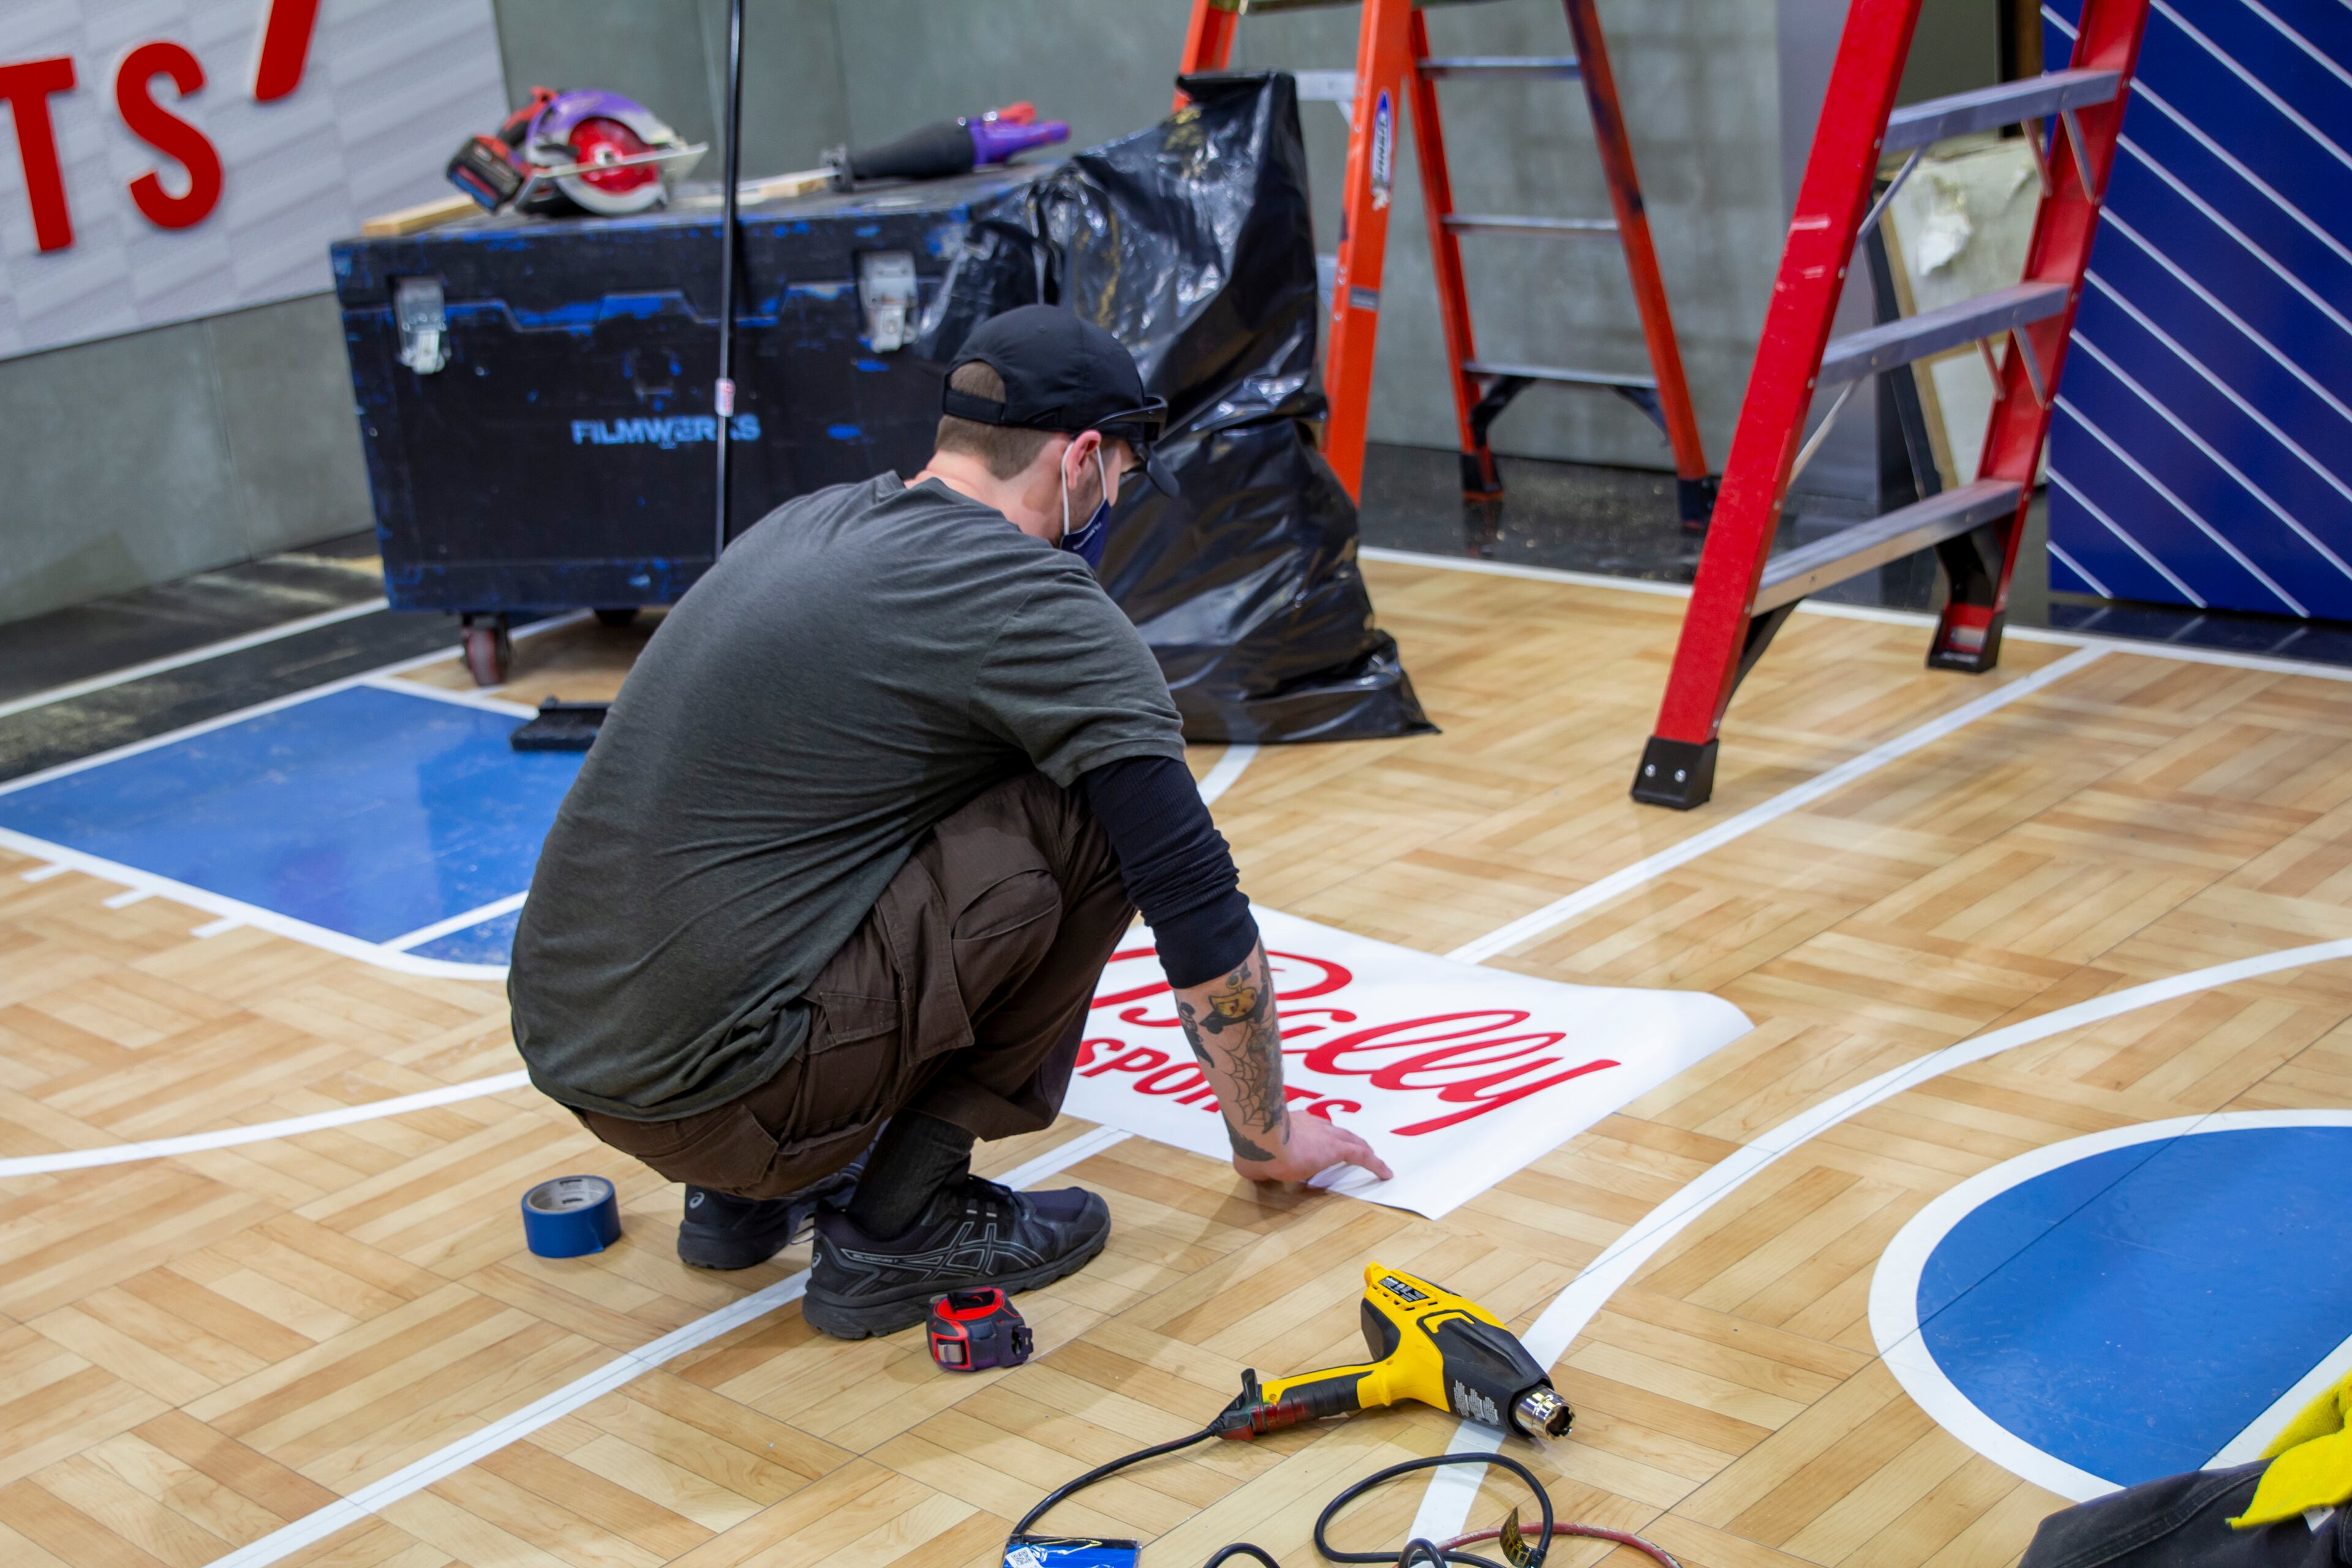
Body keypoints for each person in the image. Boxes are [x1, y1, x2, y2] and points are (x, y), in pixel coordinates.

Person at [509, 304, 1390, 1339]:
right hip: (722, 1091)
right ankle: (901, 1219)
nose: (1118, 498)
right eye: (1124, 476)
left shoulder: (810, 522)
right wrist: (1266, 1135)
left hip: (579, 1051)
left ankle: (745, 1204)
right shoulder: (1039, 602)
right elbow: (1194, 897)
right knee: (1094, 813)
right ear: (1084, 459)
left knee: (886, 796)